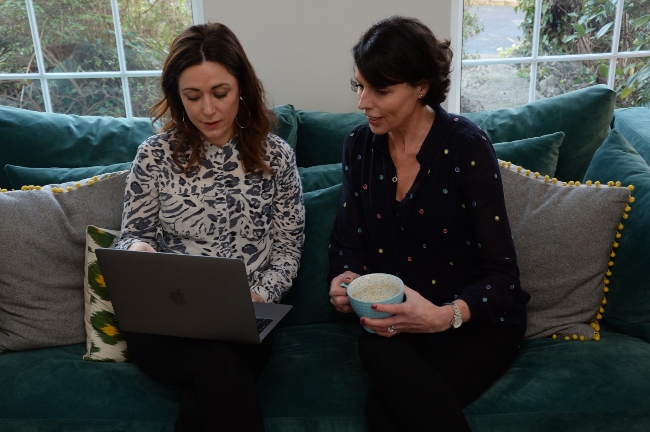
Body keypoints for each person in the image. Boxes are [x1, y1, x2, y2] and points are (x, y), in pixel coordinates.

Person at [328, 16, 530, 431]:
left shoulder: (467, 147)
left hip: (471, 322)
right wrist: (345, 277)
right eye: (359, 86)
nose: (363, 102)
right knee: (375, 353)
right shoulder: (358, 146)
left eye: (380, 90)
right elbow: (347, 242)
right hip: (398, 325)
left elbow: (504, 276)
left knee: (382, 414)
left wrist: (444, 317)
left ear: (422, 87)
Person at [114, 22, 305, 432]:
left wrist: (259, 294)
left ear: (242, 88)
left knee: (218, 363)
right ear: (176, 96)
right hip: (166, 322)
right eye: (192, 96)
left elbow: (288, 250)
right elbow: (134, 233)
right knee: (219, 366)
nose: (208, 110)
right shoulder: (153, 155)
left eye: (220, 93)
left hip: (246, 320)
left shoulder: (277, 157)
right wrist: (137, 251)